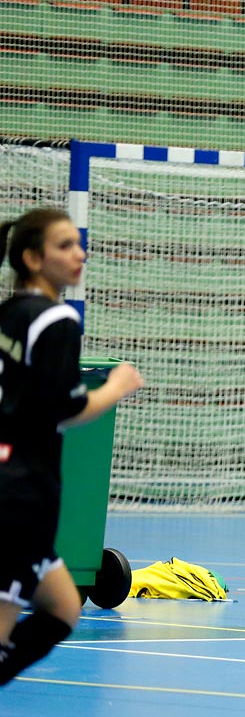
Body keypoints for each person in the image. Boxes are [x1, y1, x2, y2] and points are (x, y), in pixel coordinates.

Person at [1, 208, 145, 686]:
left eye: (78, 243)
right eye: (64, 246)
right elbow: (65, 408)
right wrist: (118, 385)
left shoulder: (9, 315)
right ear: (32, 258)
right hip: (21, 494)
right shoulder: (58, 319)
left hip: (17, 486)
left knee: (64, 607)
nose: (79, 254)